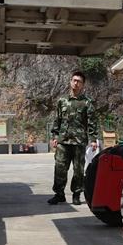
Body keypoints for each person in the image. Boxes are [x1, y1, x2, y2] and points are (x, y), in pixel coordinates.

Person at [48, 71, 98, 205]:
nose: (76, 83)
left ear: (83, 85)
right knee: (60, 168)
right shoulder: (62, 101)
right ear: (70, 82)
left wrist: (93, 139)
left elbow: (92, 122)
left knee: (78, 170)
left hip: (79, 142)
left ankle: (76, 194)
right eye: (74, 80)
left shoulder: (87, 102)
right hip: (63, 141)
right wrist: (54, 136)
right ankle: (59, 194)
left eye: (79, 81)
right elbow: (57, 120)